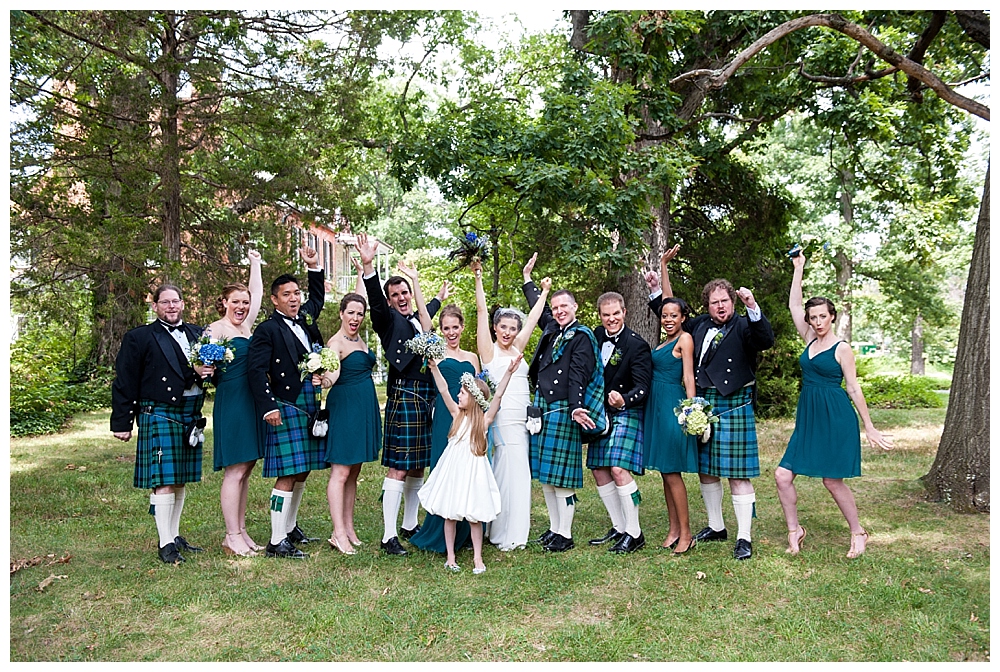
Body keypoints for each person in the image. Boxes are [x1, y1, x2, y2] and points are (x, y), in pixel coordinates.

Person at [647, 247, 775, 560]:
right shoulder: (700, 324)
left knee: (737, 473)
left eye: (725, 301)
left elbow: (766, 340)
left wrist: (753, 307)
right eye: (714, 302)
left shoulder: (746, 325)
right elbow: (670, 308)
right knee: (707, 470)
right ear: (707, 305)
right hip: (704, 404)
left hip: (733, 404)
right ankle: (716, 526)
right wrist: (658, 281)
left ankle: (744, 536)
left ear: (733, 301)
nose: (720, 307)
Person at [775, 251, 893, 558]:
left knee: (832, 480)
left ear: (832, 317)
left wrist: (870, 426)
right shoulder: (809, 340)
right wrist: (798, 268)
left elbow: (853, 387)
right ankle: (794, 530)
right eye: (812, 318)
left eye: (822, 317)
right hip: (809, 418)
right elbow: (793, 305)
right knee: (782, 475)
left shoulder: (842, 349)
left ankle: (859, 532)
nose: (816, 322)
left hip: (836, 416)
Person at [356, 232, 450, 556]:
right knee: (398, 466)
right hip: (405, 394)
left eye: (404, 292)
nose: (401, 297)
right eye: (395, 294)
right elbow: (377, 302)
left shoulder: (417, 319)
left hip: (426, 395)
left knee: (417, 465)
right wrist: (369, 266)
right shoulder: (387, 320)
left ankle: (410, 524)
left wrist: (433, 294)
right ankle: (387, 535)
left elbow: (427, 313)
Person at [111, 284, 216, 564]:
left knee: (179, 477)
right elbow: (125, 380)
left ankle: (175, 534)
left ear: (183, 304)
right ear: (155, 306)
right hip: (160, 412)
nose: (171, 306)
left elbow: (213, 371)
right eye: (165, 302)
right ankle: (165, 543)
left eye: (176, 301)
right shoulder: (140, 337)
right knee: (164, 480)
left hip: (190, 411)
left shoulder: (198, 333)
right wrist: (122, 422)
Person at [247, 247, 327, 559]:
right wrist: (268, 405)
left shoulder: (305, 318)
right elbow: (255, 370)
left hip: (309, 400)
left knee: (303, 469)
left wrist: (314, 267)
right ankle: (276, 540)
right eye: (287, 294)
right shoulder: (268, 329)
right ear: (275, 299)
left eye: (296, 293)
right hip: (288, 402)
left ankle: (290, 527)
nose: (294, 298)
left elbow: (317, 298)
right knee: (288, 471)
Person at [523, 262, 606, 552]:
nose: (558, 311)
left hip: (563, 409)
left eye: (564, 307)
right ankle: (554, 528)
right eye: (555, 307)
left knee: (562, 478)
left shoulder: (581, 336)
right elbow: (538, 304)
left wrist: (576, 406)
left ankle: (566, 534)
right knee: (547, 475)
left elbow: (578, 374)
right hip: (544, 406)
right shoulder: (553, 328)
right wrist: (528, 280)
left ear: (575, 307)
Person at [471, 256, 551, 551]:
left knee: (520, 473)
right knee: (508, 470)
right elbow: (481, 310)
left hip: (523, 419)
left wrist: (543, 292)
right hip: (502, 420)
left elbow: (532, 319)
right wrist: (478, 277)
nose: (508, 332)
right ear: (495, 328)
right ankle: (506, 533)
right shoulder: (488, 352)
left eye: (512, 328)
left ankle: (510, 529)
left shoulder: (518, 347)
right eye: (503, 327)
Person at [419, 353, 524, 573]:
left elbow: (498, 397)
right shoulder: (456, 415)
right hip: (454, 470)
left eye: (463, 393)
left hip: (474, 472)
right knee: (450, 513)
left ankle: (477, 557)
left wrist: (508, 372)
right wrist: (435, 369)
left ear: (474, 398)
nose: (458, 395)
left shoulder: (484, 421)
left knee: (475, 515)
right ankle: (450, 556)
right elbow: (444, 391)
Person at [207, 250, 266, 557]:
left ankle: (241, 531)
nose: (242, 306)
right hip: (232, 401)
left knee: (247, 467)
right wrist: (204, 369)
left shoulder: (245, 327)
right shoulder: (216, 330)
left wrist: (255, 263)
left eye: (245, 302)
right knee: (235, 469)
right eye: (236, 302)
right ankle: (231, 535)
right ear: (224, 303)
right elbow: (199, 365)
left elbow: (256, 292)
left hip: (252, 401)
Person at [409, 304, 480, 554]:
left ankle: (466, 530)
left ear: (462, 327)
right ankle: (438, 530)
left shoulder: (472, 358)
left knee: (468, 470)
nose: (451, 332)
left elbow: (480, 391)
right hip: (444, 417)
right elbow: (423, 323)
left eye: (455, 327)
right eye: (446, 328)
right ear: (441, 330)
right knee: (443, 469)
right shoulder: (435, 354)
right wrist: (417, 282)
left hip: (469, 421)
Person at [587, 292, 652, 554]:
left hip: (627, 410)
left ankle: (634, 533)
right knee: (599, 470)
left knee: (617, 469)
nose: (611, 319)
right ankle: (619, 527)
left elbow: (643, 387)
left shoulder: (637, 345)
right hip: (601, 413)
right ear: (600, 316)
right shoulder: (595, 336)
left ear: (624, 312)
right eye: (606, 315)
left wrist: (623, 399)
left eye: (616, 313)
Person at [319, 292, 381, 555]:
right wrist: (325, 379)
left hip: (363, 409)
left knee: (354, 472)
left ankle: (349, 527)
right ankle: (338, 532)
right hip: (345, 410)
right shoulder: (336, 343)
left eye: (360, 313)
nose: (355, 317)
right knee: (341, 472)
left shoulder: (358, 340)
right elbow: (332, 373)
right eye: (351, 312)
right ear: (341, 314)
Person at [643, 280, 699, 554]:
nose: (668, 319)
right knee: (666, 473)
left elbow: (689, 376)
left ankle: (686, 533)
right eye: (664, 316)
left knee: (673, 473)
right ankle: (673, 528)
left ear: (683, 318)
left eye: (673, 315)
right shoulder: (664, 340)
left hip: (672, 409)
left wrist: (691, 410)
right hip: (656, 406)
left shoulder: (684, 339)